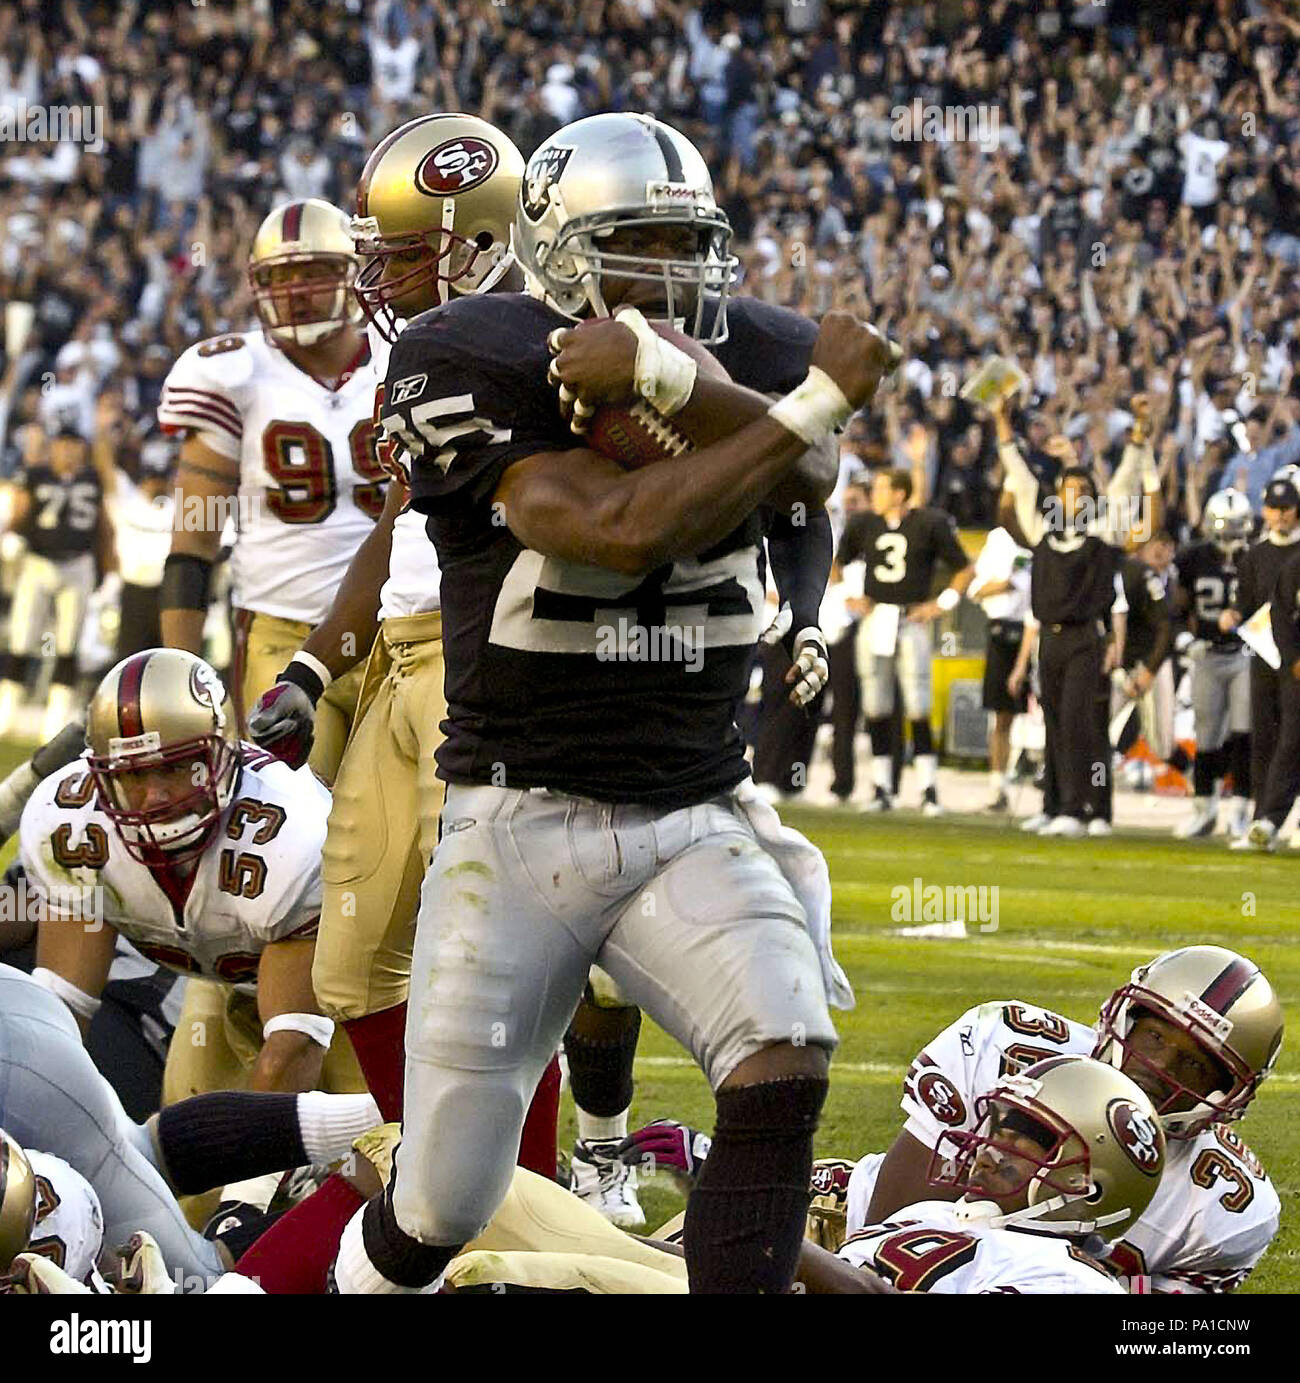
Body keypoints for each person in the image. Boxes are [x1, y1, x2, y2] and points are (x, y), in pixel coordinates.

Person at [331, 112, 883, 1296]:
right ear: (554, 242)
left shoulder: (753, 345)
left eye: (690, 241)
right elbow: (608, 529)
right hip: (516, 826)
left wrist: (682, 379)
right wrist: (791, 409)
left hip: (693, 806)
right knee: (440, 1202)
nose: (671, 271)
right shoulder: (466, 346)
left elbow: (812, 472)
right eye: (638, 242)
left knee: (783, 1051)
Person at [243, 114, 571, 1183]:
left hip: (491, 660)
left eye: (404, 250)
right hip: (398, 658)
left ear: (475, 241)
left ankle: (536, 1190)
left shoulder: (552, 339)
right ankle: (443, 1175)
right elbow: (397, 519)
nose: (380, 273)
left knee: (496, 961)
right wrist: (310, 666)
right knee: (357, 957)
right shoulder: (428, 350)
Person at [19, 648, 364, 1104]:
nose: (155, 796)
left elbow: (290, 1049)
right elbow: (62, 1021)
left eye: (176, 767)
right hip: (217, 980)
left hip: (350, 996)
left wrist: (256, 1174)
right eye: (134, 775)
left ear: (224, 756)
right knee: (185, 1143)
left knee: (371, 1142)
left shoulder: (290, 836)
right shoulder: (69, 823)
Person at [157, 198, 389, 783]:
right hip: (282, 632)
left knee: (414, 827)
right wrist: (180, 675)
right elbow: (192, 546)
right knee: (291, 814)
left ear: (354, 273)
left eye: (313, 272)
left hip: (400, 630)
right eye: (279, 276)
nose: (295, 291)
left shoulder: (404, 354)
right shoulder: (233, 372)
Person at [994, 393, 1162, 838]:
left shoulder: (1102, 532)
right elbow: (1018, 475)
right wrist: (1001, 422)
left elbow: (1126, 480)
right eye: (1070, 491)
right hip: (1049, 638)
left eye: (1083, 492)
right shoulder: (1042, 530)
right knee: (1051, 723)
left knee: (1077, 722)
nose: (1076, 498)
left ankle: (1080, 806)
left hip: (1086, 638)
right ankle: (1054, 804)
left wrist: (1141, 429)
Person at [832, 467, 975, 814]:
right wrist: (849, 594)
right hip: (876, 617)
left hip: (910, 619)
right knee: (876, 706)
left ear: (899, 493)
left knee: (918, 705)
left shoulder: (929, 523)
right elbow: (835, 563)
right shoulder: (863, 524)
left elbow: (965, 567)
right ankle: (883, 789)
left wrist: (940, 605)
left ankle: (928, 790)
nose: (875, 494)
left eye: (882, 488)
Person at [0, 425, 113, 740]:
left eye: (74, 444)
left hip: (77, 563)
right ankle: (6, 710)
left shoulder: (92, 478)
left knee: (68, 642)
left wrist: (109, 567)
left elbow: (103, 525)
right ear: (54, 447)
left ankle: (56, 717)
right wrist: (9, 536)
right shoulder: (36, 475)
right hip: (39, 562)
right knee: (23, 636)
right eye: (63, 444)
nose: (68, 451)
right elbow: (20, 512)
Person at [1221, 476, 1300, 851]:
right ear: (1265, 510)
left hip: (1294, 658)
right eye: (1275, 508)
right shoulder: (1255, 555)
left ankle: (1275, 818)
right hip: (1265, 654)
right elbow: (1248, 602)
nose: (1281, 516)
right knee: (1265, 740)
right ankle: (1260, 819)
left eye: (1287, 509)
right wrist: (1232, 614)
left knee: (1292, 738)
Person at [1171, 489, 1253, 839]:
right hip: (1206, 653)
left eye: (1235, 526)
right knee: (1205, 735)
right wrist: (1187, 640)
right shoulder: (1192, 559)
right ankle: (1203, 809)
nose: (1230, 534)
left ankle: (1240, 809)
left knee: (1244, 731)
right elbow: (1176, 609)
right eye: (1224, 526)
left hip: (1245, 654)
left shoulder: (1256, 557)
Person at [968, 524, 1032, 811]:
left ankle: (1054, 789)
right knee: (1001, 715)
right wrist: (1007, 583)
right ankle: (999, 789)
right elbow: (976, 589)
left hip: (1039, 630)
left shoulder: (1040, 533)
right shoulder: (998, 538)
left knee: (1048, 715)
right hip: (1001, 632)